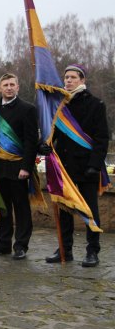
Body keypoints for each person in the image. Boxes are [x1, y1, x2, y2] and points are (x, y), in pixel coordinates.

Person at [46, 64, 109, 268]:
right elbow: (53, 134)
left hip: (87, 167)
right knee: (65, 210)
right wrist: (44, 143)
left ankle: (93, 251)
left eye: (73, 77)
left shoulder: (95, 104)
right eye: (66, 77)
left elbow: (101, 139)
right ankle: (65, 249)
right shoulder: (61, 105)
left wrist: (94, 165)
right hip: (65, 168)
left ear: (82, 80)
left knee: (90, 211)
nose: (68, 81)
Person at [0, 74, 38, 260]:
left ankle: (21, 245)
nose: (9, 88)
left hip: (18, 167)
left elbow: (31, 141)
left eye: (12, 85)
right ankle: (3, 243)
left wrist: (26, 167)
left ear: (17, 87)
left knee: (21, 207)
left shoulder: (27, 109)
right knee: (3, 207)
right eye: (5, 85)